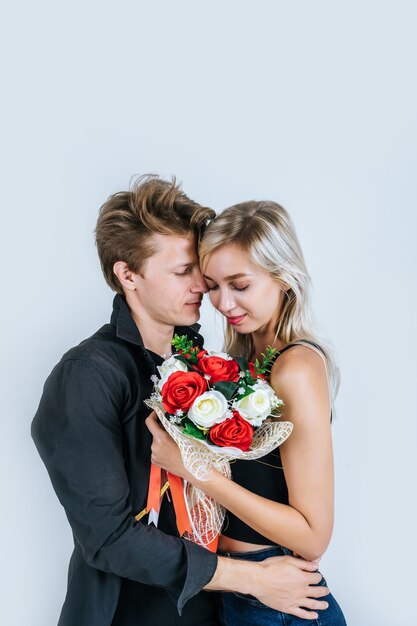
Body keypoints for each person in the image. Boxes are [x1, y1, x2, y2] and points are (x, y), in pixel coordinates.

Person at [31, 179, 330, 626]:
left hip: (221, 612)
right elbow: (108, 537)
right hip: (131, 615)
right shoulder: (88, 375)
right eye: (182, 272)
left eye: (201, 273)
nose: (202, 289)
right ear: (127, 275)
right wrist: (250, 579)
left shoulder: (204, 363)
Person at [147, 199, 347, 625]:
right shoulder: (249, 359)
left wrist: (194, 469)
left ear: (283, 278)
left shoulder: (294, 367)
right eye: (214, 285)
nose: (223, 302)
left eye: (240, 285)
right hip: (244, 592)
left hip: (279, 604)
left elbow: (313, 537)